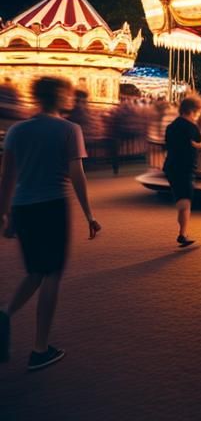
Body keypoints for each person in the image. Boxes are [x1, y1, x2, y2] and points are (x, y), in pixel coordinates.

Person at [0, 76, 101, 371]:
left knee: (35, 271)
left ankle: (5, 313)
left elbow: (7, 176)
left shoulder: (17, 130)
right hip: (52, 205)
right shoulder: (69, 129)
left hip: (23, 207)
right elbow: (76, 175)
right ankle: (40, 349)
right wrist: (89, 215)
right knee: (52, 274)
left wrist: (4, 214)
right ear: (59, 96)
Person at [163, 96, 201, 247]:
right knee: (185, 200)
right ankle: (182, 234)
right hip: (185, 167)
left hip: (171, 166)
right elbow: (197, 144)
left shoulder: (171, 126)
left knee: (181, 199)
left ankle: (183, 231)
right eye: (197, 112)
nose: (198, 116)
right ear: (191, 111)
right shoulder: (191, 127)